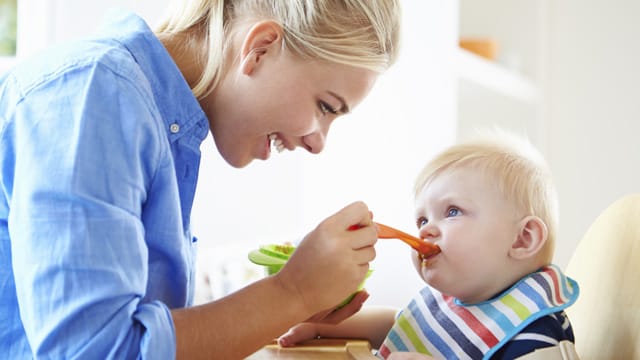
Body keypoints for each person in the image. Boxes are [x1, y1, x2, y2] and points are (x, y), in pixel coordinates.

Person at [0, 0, 401, 358]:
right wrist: (290, 294)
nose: (318, 143)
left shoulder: (157, 122)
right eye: (326, 106)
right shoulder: (93, 94)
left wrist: (288, 307)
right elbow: (95, 351)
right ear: (260, 48)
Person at [278, 130, 580, 359]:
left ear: (522, 239)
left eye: (452, 212)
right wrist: (323, 328)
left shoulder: (534, 332)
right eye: (422, 220)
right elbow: (401, 323)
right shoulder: (455, 300)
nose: (426, 231)